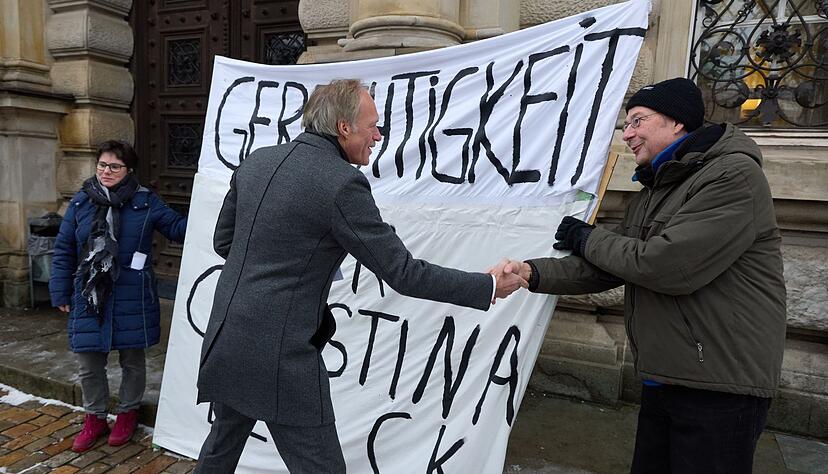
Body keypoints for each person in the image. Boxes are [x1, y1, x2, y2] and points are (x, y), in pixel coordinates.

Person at [194, 79, 527, 473]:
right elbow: (403, 273)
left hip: (228, 337)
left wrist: (289, 265)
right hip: (282, 357)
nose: (379, 135)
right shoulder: (340, 182)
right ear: (344, 128)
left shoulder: (257, 161)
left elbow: (224, 242)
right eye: (373, 125)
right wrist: (487, 285)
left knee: (220, 449)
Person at [497, 78, 786, 473]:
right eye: (625, 124)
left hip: (718, 386)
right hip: (668, 376)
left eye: (637, 121)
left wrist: (587, 238)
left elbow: (664, 265)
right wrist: (531, 272)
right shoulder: (661, 185)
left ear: (677, 123)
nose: (627, 134)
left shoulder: (732, 177)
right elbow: (610, 264)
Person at [49, 140, 188, 452]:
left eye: (114, 166)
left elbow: (178, 228)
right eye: (102, 165)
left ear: (129, 170)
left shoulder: (146, 202)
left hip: (131, 293)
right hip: (89, 292)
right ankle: (95, 417)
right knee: (88, 361)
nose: (106, 171)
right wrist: (58, 289)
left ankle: (128, 413)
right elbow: (63, 250)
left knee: (132, 360)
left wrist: (212, 209)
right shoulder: (80, 202)